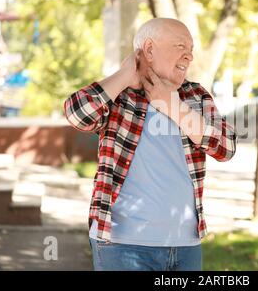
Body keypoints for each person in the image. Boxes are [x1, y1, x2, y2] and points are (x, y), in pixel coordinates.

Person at [63, 18, 237, 271]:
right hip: (122, 244)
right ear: (149, 49)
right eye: (180, 46)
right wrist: (124, 74)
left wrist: (172, 104)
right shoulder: (119, 96)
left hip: (185, 245)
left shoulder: (195, 96)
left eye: (191, 49)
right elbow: (76, 114)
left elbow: (226, 148)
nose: (189, 55)